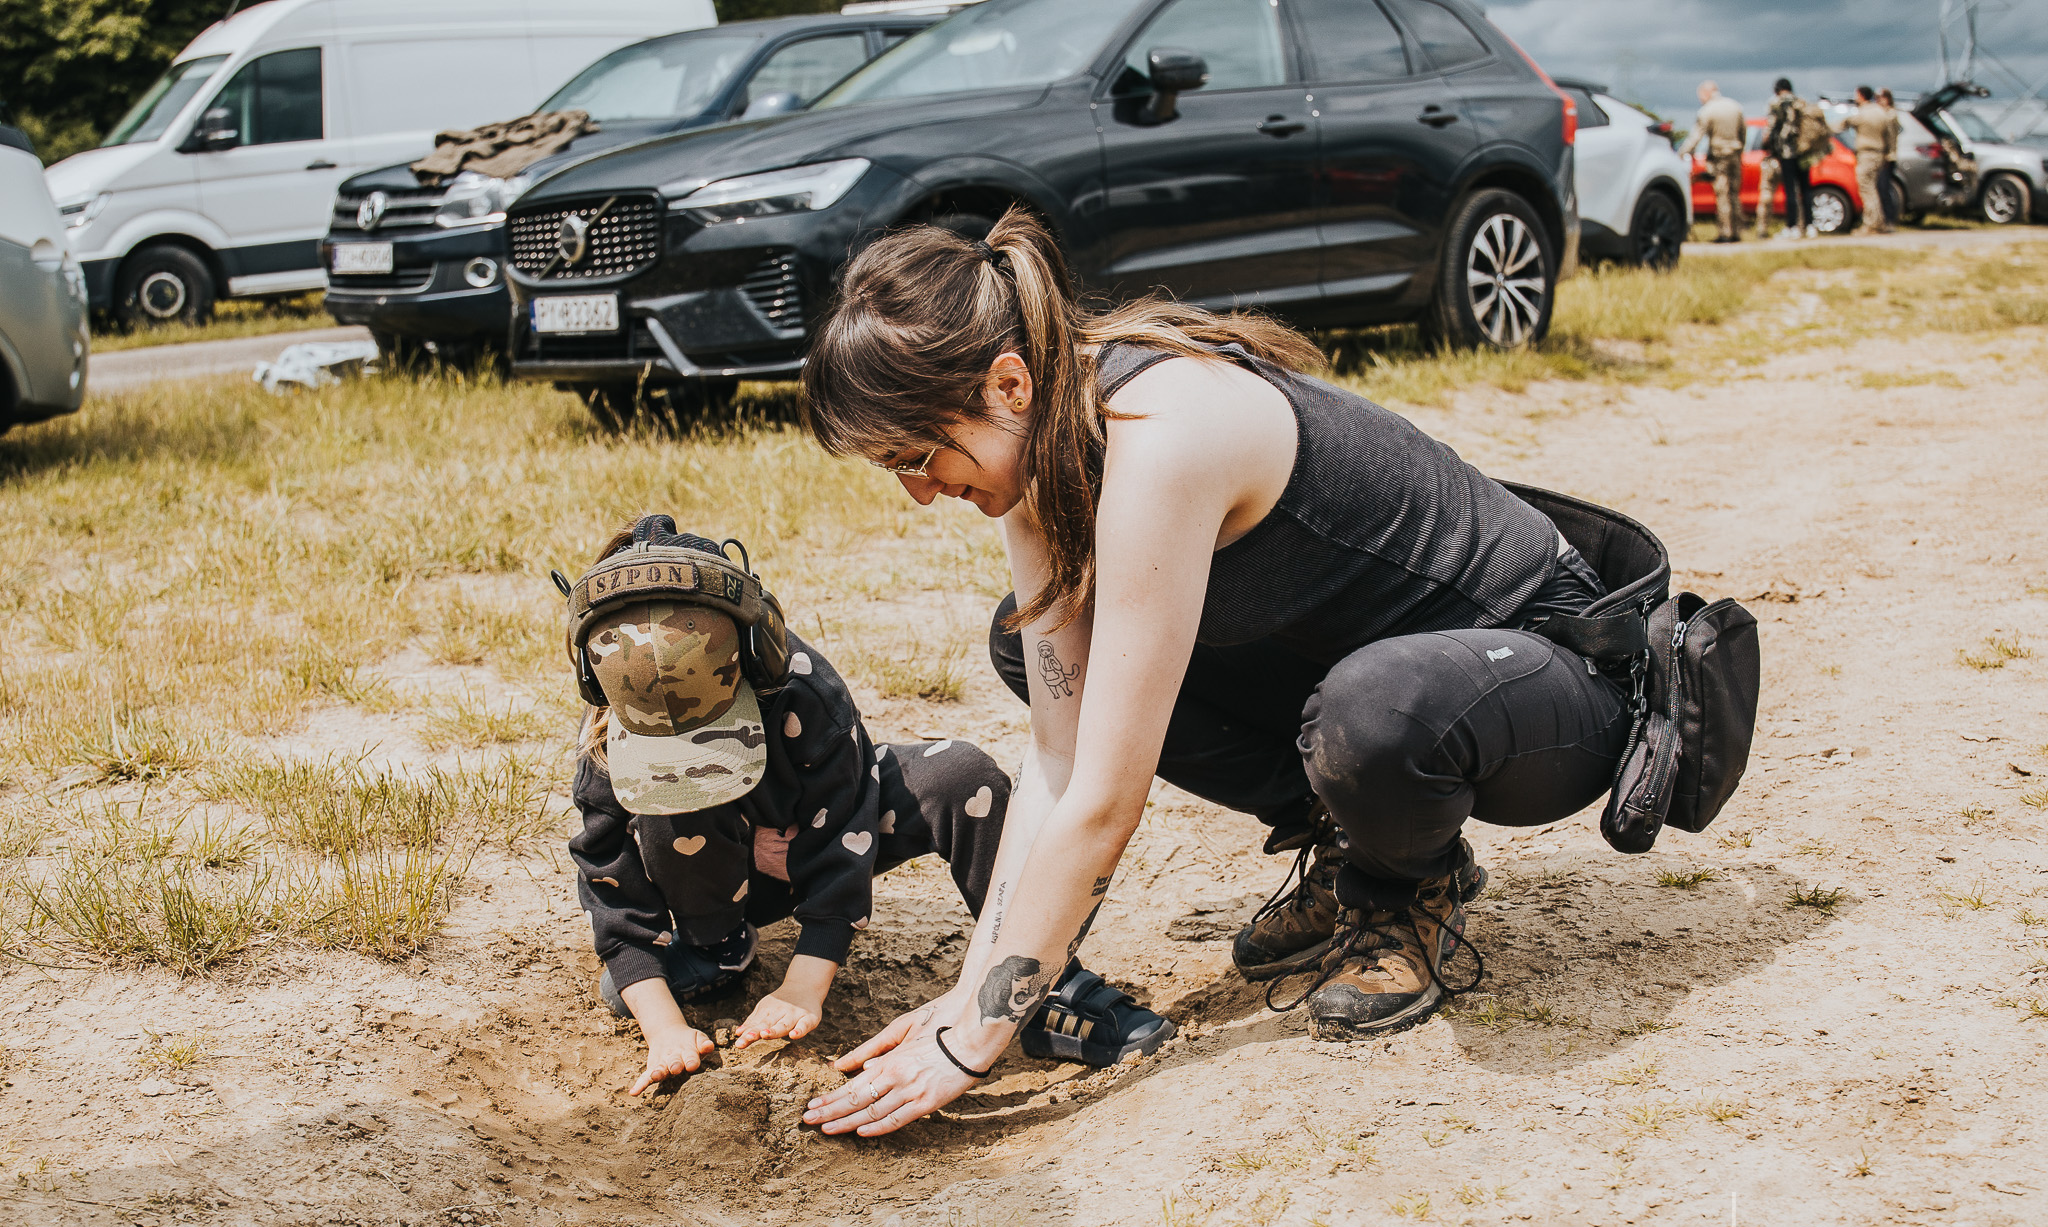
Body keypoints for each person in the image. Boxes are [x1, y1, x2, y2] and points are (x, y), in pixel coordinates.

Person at [797, 211, 1632, 1138]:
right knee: (1023, 640)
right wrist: (972, 990)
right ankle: (1357, 831)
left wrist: (973, 1042)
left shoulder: (1161, 435)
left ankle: (1401, 888)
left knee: (1369, 710)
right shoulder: (1037, 450)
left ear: (1007, 382)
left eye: (918, 455)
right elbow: (1061, 753)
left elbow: (1105, 803)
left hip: (1553, 670)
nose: (917, 492)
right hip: (1378, 676)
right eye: (891, 469)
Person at [567, 516, 1173, 1096]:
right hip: (712, 876)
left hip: (817, 841)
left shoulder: (800, 683)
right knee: (641, 948)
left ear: (757, 656)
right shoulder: (609, 742)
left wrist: (805, 984)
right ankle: (715, 948)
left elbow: (849, 817)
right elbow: (611, 891)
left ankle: (1047, 987)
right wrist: (663, 1027)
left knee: (962, 776)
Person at [1681, 80, 1747, 242]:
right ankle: (1737, 232)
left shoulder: (1707, 111)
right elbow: (1743, 132)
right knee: (1734, 194)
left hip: (1720, 157)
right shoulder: (1735, 106)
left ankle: (1726, 233)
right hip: (1736, 154)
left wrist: (1682, 153)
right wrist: (1740, 150)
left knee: (1722, 194)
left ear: (1705, 93)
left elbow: (1696, 137)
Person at [1759, 78, 1817, 239]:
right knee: (1806, 189)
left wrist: (1767, 145)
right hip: (1804, 152)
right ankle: (1810, 226)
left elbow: (1770, 128)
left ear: (1777, 89)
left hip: (1786, 153)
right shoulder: (1801, 102)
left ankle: (1792, 226)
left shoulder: (1775, 103)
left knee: (1791, 190)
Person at [1847, 86, 1894, 234]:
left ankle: (1871, 224)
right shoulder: (1882, 113)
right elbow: (1890, 136)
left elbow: (1844, 123)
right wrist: (1889, 154)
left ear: (1861, 96)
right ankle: (1879, 221)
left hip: (1867, 154)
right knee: (1875, 189)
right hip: (1880, 155)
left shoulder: (1863, 113)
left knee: (1867, 189)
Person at [1877, 88, 1903, 228]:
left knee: (1884, 188)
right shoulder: (1887, 114)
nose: (1878, 101)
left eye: (1880, 98)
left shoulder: (1890, 115)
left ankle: (1889, 219)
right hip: (1886, 156)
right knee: (1883, 188)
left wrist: (1888, 155)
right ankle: (1886, 219)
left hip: (1887, 157)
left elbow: (1891, 139)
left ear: (1887, 99)